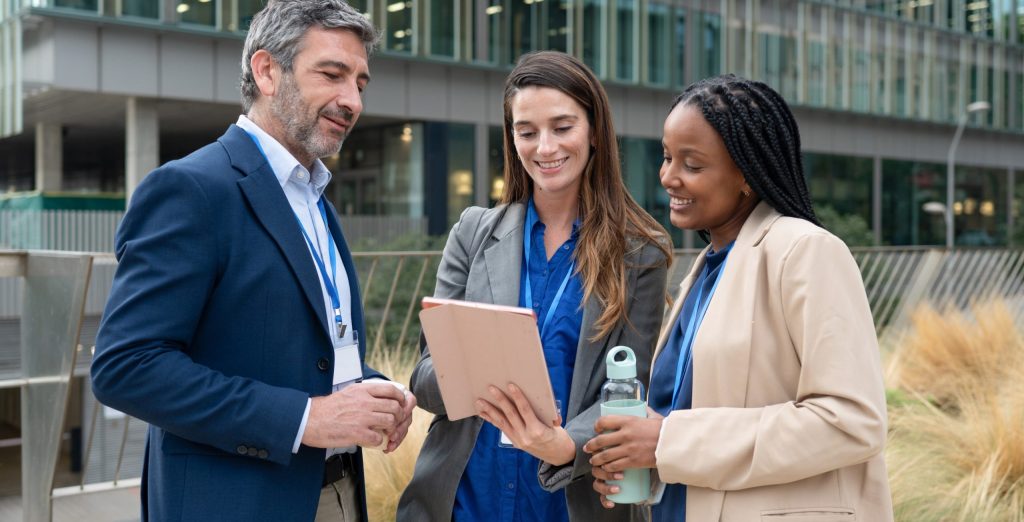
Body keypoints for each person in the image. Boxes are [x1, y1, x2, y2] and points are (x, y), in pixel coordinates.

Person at [90, 1, 416, 521]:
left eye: (360, 82)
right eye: (332, 74)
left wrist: (369, 390)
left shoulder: (314, 197)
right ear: (267, 70)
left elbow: (295, 347)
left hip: (336, 492)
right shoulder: (191, 189)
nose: (351, 100)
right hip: (234, 502)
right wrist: (306, 418)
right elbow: (126, 367)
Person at [584, 74, 894, 521]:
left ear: (746, 175)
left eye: (692, 164)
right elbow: (691, 426)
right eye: (667, 157)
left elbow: (851, 422)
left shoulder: (805, 251)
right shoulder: (707, 268)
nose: (668, 177)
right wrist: (643, 456)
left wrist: (667, 441)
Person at [397, 51, 671, 522]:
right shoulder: (472, 233)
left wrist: (567, 444)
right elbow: (424, 378)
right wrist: (469, 374)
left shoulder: (640, 252)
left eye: (562, 128)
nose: (544, 148)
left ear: (594, 132)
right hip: (466, 502)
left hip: (570, 503)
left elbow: (631, 391)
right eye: (526, 132)